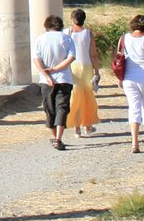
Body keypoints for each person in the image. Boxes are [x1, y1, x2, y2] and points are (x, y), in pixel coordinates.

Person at [112, 13, 144, 152]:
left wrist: (119, 78)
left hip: (129, 78)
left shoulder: (123, 38)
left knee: (133, 109)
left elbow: (119, 60)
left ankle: (135, 143)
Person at [32, 15, 76, 150]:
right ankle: (58, 138)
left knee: (49, 108)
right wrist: (56, 69)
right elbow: (71, 57)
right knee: (62, 108)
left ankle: (55, 136)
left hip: (46, 81)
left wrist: (46, 74)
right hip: (64, 78)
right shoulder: (66, 38)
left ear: (46, 26)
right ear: (60, 26)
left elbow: (37, 59)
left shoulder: (40, 39)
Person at [66, 8, 100, 137]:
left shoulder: (67, 33)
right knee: (87, 96)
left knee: (75, 96)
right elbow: (93, 54)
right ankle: (88, 125)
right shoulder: (88, 33)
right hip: (86, 67)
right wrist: (97, 71)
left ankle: (76, 127)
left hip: (72, 66)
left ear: (72, 19)